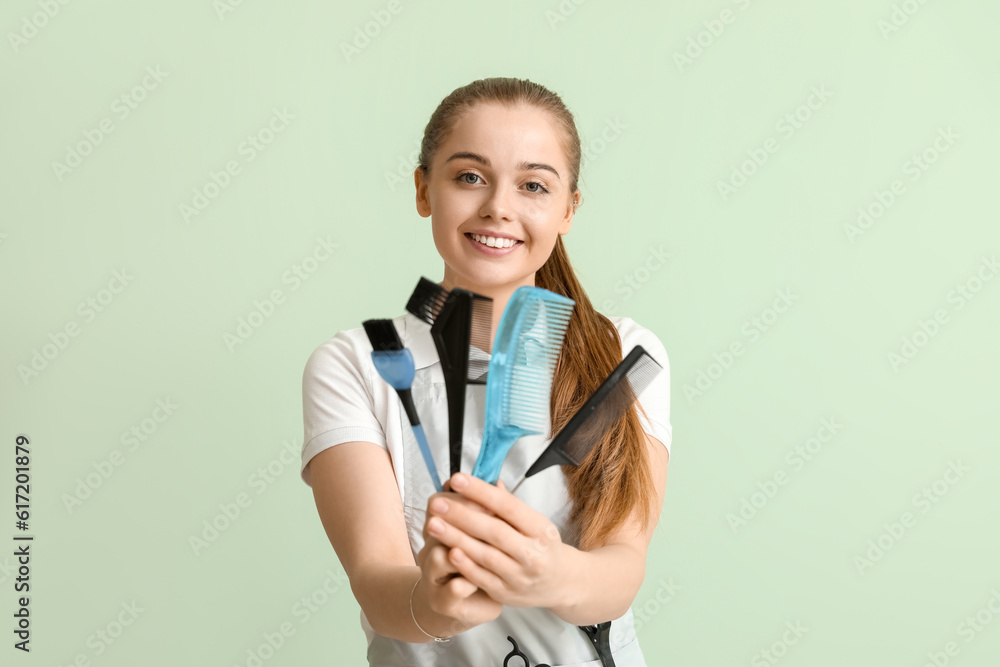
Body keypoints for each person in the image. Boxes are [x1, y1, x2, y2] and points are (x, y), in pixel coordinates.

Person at [300, 77, 672, 666]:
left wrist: (555, 575)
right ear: (424, 189)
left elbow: (624, 563)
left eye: (533, 185)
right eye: (469, 176)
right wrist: (432, 602)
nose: (499, 206)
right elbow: (375, 579)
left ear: (569, 208)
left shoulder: (619, 353)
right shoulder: (355, 363)